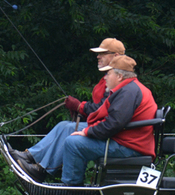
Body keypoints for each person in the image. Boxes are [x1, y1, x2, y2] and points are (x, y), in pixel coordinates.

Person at [12, 55, 158, 186]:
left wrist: (88, 132)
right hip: (125, 140)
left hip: (129, 147)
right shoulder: (129, 89)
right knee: (68, 128)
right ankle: (36, 165)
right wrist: (87, 130)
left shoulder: (128, 92)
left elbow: (113, 124)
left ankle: (72, 189)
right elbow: (112, 121)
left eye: (108, 73)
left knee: (73, 143)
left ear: (119, 76)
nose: (105, 77)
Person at [10, 38, 126, 179]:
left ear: (115, 56)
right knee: (64, 126)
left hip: (111, 132)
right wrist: (80, 109)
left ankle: (42, 170)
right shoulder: (108, 78)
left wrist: (79, 106)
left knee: (68, 130)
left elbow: (102, 108)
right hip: (103, 125)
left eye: (103, 53)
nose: (98, 56)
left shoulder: (118, 79)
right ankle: (31, 157)